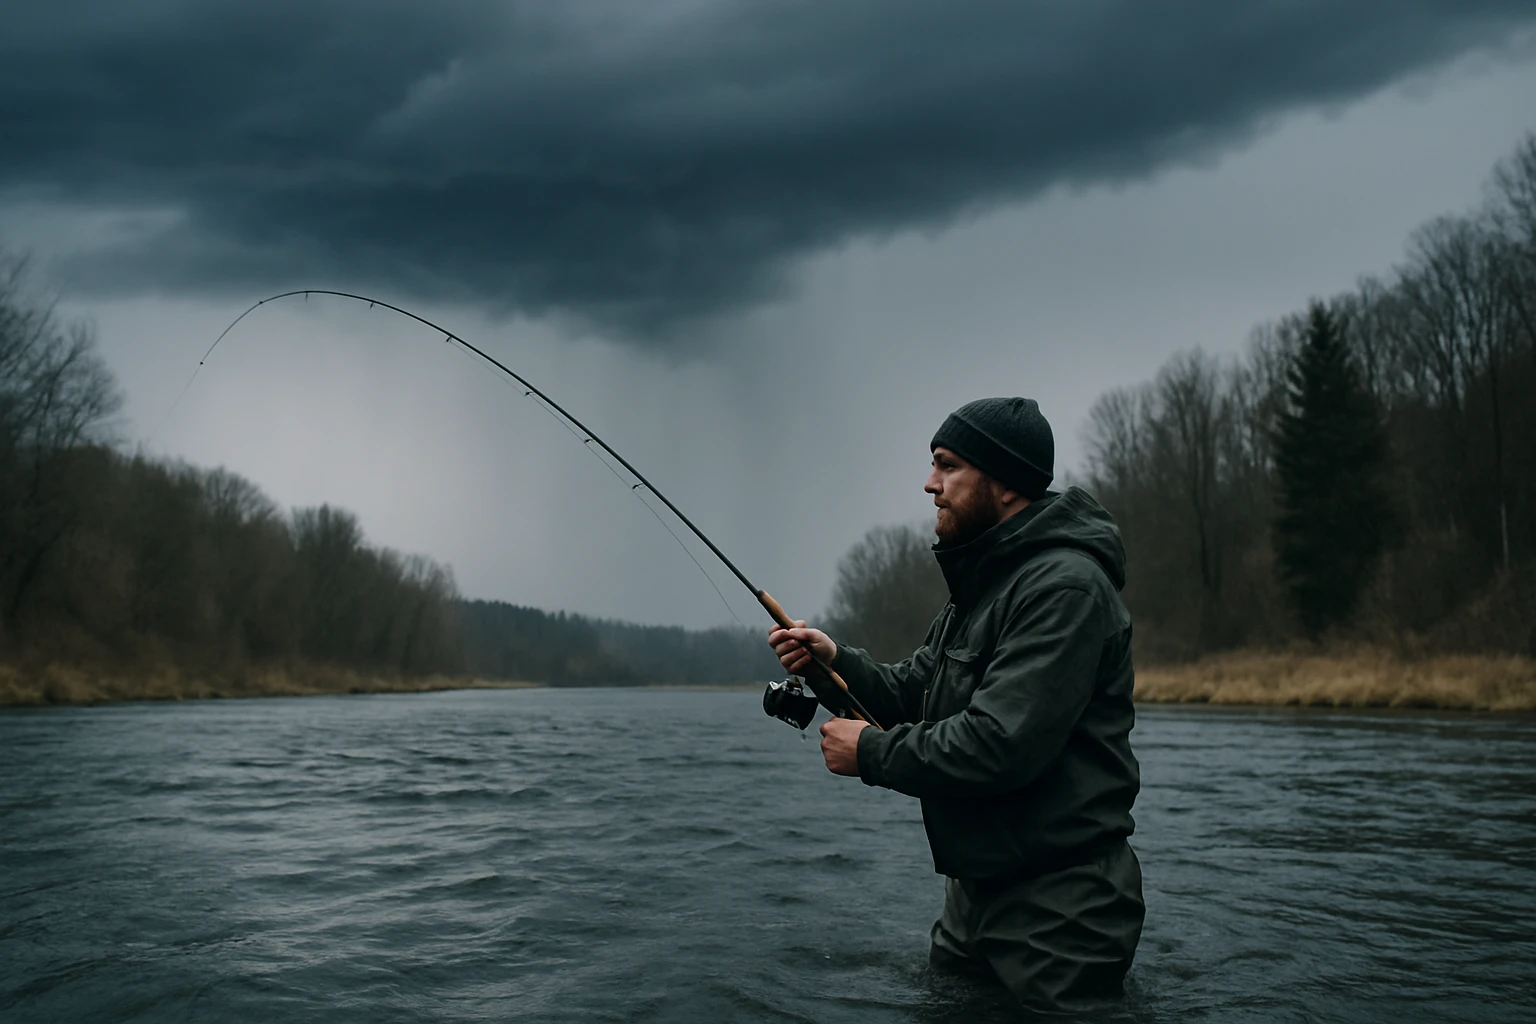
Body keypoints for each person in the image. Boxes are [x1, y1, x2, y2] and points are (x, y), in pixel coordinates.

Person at [768, 397, 1143, 1014]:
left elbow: (1000, 743)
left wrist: (871, 753)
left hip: (1063, 908)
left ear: (1003, 484)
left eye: (947, 466)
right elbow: (916, 693)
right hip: (975, 899)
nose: (929, 483)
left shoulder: (1065, 588)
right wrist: (833, 664)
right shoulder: (982, 588)